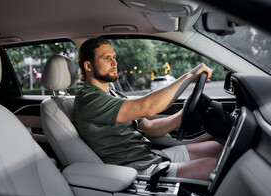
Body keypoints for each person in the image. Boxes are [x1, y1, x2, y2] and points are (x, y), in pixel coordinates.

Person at [72, 37, 223, 180]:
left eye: (114, 57)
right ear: (88, 66)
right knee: (212, 166)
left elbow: (149, 127)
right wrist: (189, 76)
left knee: (216, 147)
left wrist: (183, 114)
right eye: (106, 58)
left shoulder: (113, 93)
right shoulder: (89, 100)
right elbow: (147, 107)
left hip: (150, 156)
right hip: (134, 170)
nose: (114, 62)